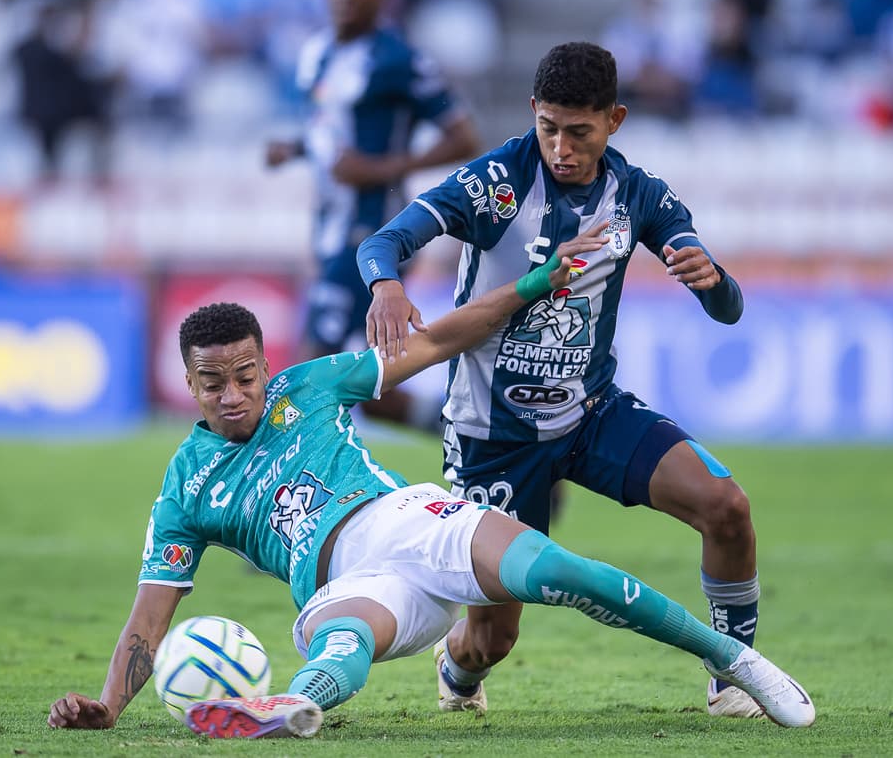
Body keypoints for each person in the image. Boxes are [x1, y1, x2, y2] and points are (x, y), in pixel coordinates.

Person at [46, 229, 815, 740]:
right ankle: (294, 705)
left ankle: (736, 661)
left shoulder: (308, 386)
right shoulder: (186, 487)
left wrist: (536, 283)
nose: (233, 395)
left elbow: (439, 339)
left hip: (408, 518)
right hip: (343, 582)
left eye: (246, 376)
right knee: (342, 637)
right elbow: (149, 615)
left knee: (556, 573)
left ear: (264, 365)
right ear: (188, 381)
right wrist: (109, 705)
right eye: (212, 384)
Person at [357, 41, 768, 719]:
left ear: (616, 120)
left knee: (727, 507)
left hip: (591, 411)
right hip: (494, 435)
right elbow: (382, 242)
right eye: (549, 128)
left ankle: (734, 675)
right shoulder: (494, 184)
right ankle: (456, 668)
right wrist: (386, 287)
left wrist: (713, 281)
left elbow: (730, 309)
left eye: (579, 132)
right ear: (532, 114)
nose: (562, 147)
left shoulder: (636, 195)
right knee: (494, 636)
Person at [265, 0, 480, 429]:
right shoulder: (316, 52)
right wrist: (294, 148)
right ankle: (476, 434)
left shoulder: (399, 61)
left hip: (372, 233)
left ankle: (301, 494)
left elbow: (464, 137)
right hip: (328, 228)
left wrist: (380, 169)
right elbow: (330, 137)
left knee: (306, 371)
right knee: (365, 390)